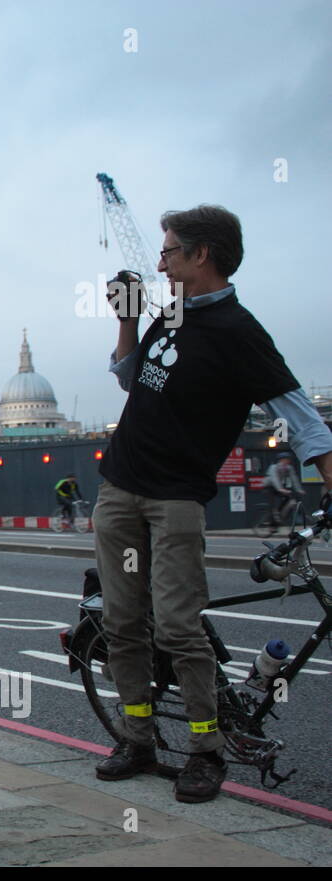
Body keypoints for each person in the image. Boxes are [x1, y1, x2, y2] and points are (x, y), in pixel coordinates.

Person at [95, 203, 332, 803]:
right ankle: (137, 738)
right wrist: (126, 318)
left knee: (176, 626)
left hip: (176, 499)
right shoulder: (169, 314)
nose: (160, 261)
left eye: (170, 250)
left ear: (202, 255)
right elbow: (129, 375)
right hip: (121, 487)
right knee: (123, 622)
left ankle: (205, 749)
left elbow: (301, 418)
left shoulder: (239, 333)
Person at [261, 451, 301, 529]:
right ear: (280, 460)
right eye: (285, 459)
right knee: (272, 504)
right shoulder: (273, 467)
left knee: (289, 499)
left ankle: (278, 515)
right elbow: (274, 479)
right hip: (269, 486)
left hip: (279, 487)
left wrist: (298, 489)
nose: (287, 461)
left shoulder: (289, 468)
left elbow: (294, 478)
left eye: (288, 459)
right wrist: (280, 489)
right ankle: (272, 524)